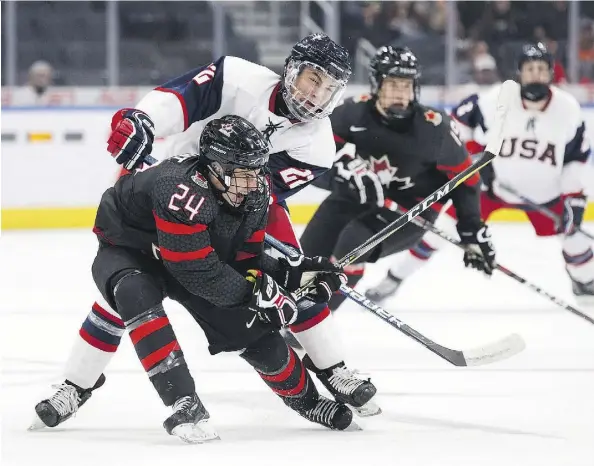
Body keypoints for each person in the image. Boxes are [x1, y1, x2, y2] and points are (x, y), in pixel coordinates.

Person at [31, 33, 380, 430]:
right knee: (125, 294)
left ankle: (333, 369)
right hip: (176, 192)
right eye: (312, 79)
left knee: (291, 271)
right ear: (292, 71)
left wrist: (282, 271)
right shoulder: (237, 76)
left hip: (236, 206)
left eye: (329, 87)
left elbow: (254, 194)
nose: (317, 95)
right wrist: (143, 120)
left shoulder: (316, 146)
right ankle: (76, 385)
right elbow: (178, 99)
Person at [367, 42, 593, 304]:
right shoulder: (495, 99)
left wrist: (574, 199)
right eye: (530, 68)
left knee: (574, 238)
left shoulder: (568, 109)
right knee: (440, 230)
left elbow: (576, 159)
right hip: (492, 189)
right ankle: (393, 279)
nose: (535, 74)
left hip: (546, 194)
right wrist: (477, 163)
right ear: (519, 72)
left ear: (551, 73)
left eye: (541, 69)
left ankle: (586, 283)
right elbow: (458, 126)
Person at [300, 45, 496, 311]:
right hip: (356, 197)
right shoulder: (352, 113)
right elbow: (312, 161)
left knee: (352, 244)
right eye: (392, 85)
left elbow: (465, 180)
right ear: (376, 85)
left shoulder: (434, 127)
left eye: (406, 86)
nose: (400, 94)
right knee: (305, 256)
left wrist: (471, 225)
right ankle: (284, 317)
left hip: (410, 210)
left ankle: (317, 318)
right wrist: (340, 175)